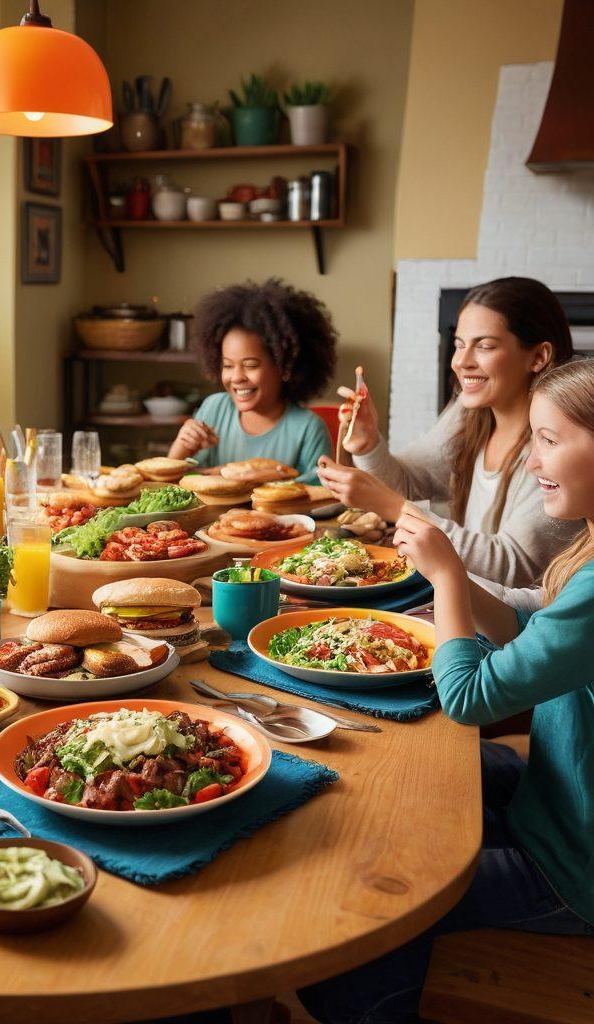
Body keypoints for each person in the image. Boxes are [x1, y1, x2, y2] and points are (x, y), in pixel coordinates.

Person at [298, 359, 594, 1024]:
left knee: (381, 903)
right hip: (555, 801)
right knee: (418, 782)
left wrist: (447, 583)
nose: (534, 460)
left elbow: (470, 697)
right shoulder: (587, 554)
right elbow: (529, 622)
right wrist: (454, 571)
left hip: (573, 870)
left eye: (550, 442)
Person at [318, 276, 579, 588]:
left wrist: (396, 509)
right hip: (459, 598)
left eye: (484, 346)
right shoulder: (468, 415)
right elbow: (408, 482)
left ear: (538, 357)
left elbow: (513, 566)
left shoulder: (553, 449)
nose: (461, 362)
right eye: (459, 344)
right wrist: (367, 442)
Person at [167, 279, 336, 481]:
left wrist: (253, 477)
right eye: (227, 365)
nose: (237, 377)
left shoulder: (308, 428)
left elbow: (322, 496)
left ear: (285, 367)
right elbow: (176, 485)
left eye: (250, 365)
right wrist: (180, 450)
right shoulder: (214, 409)